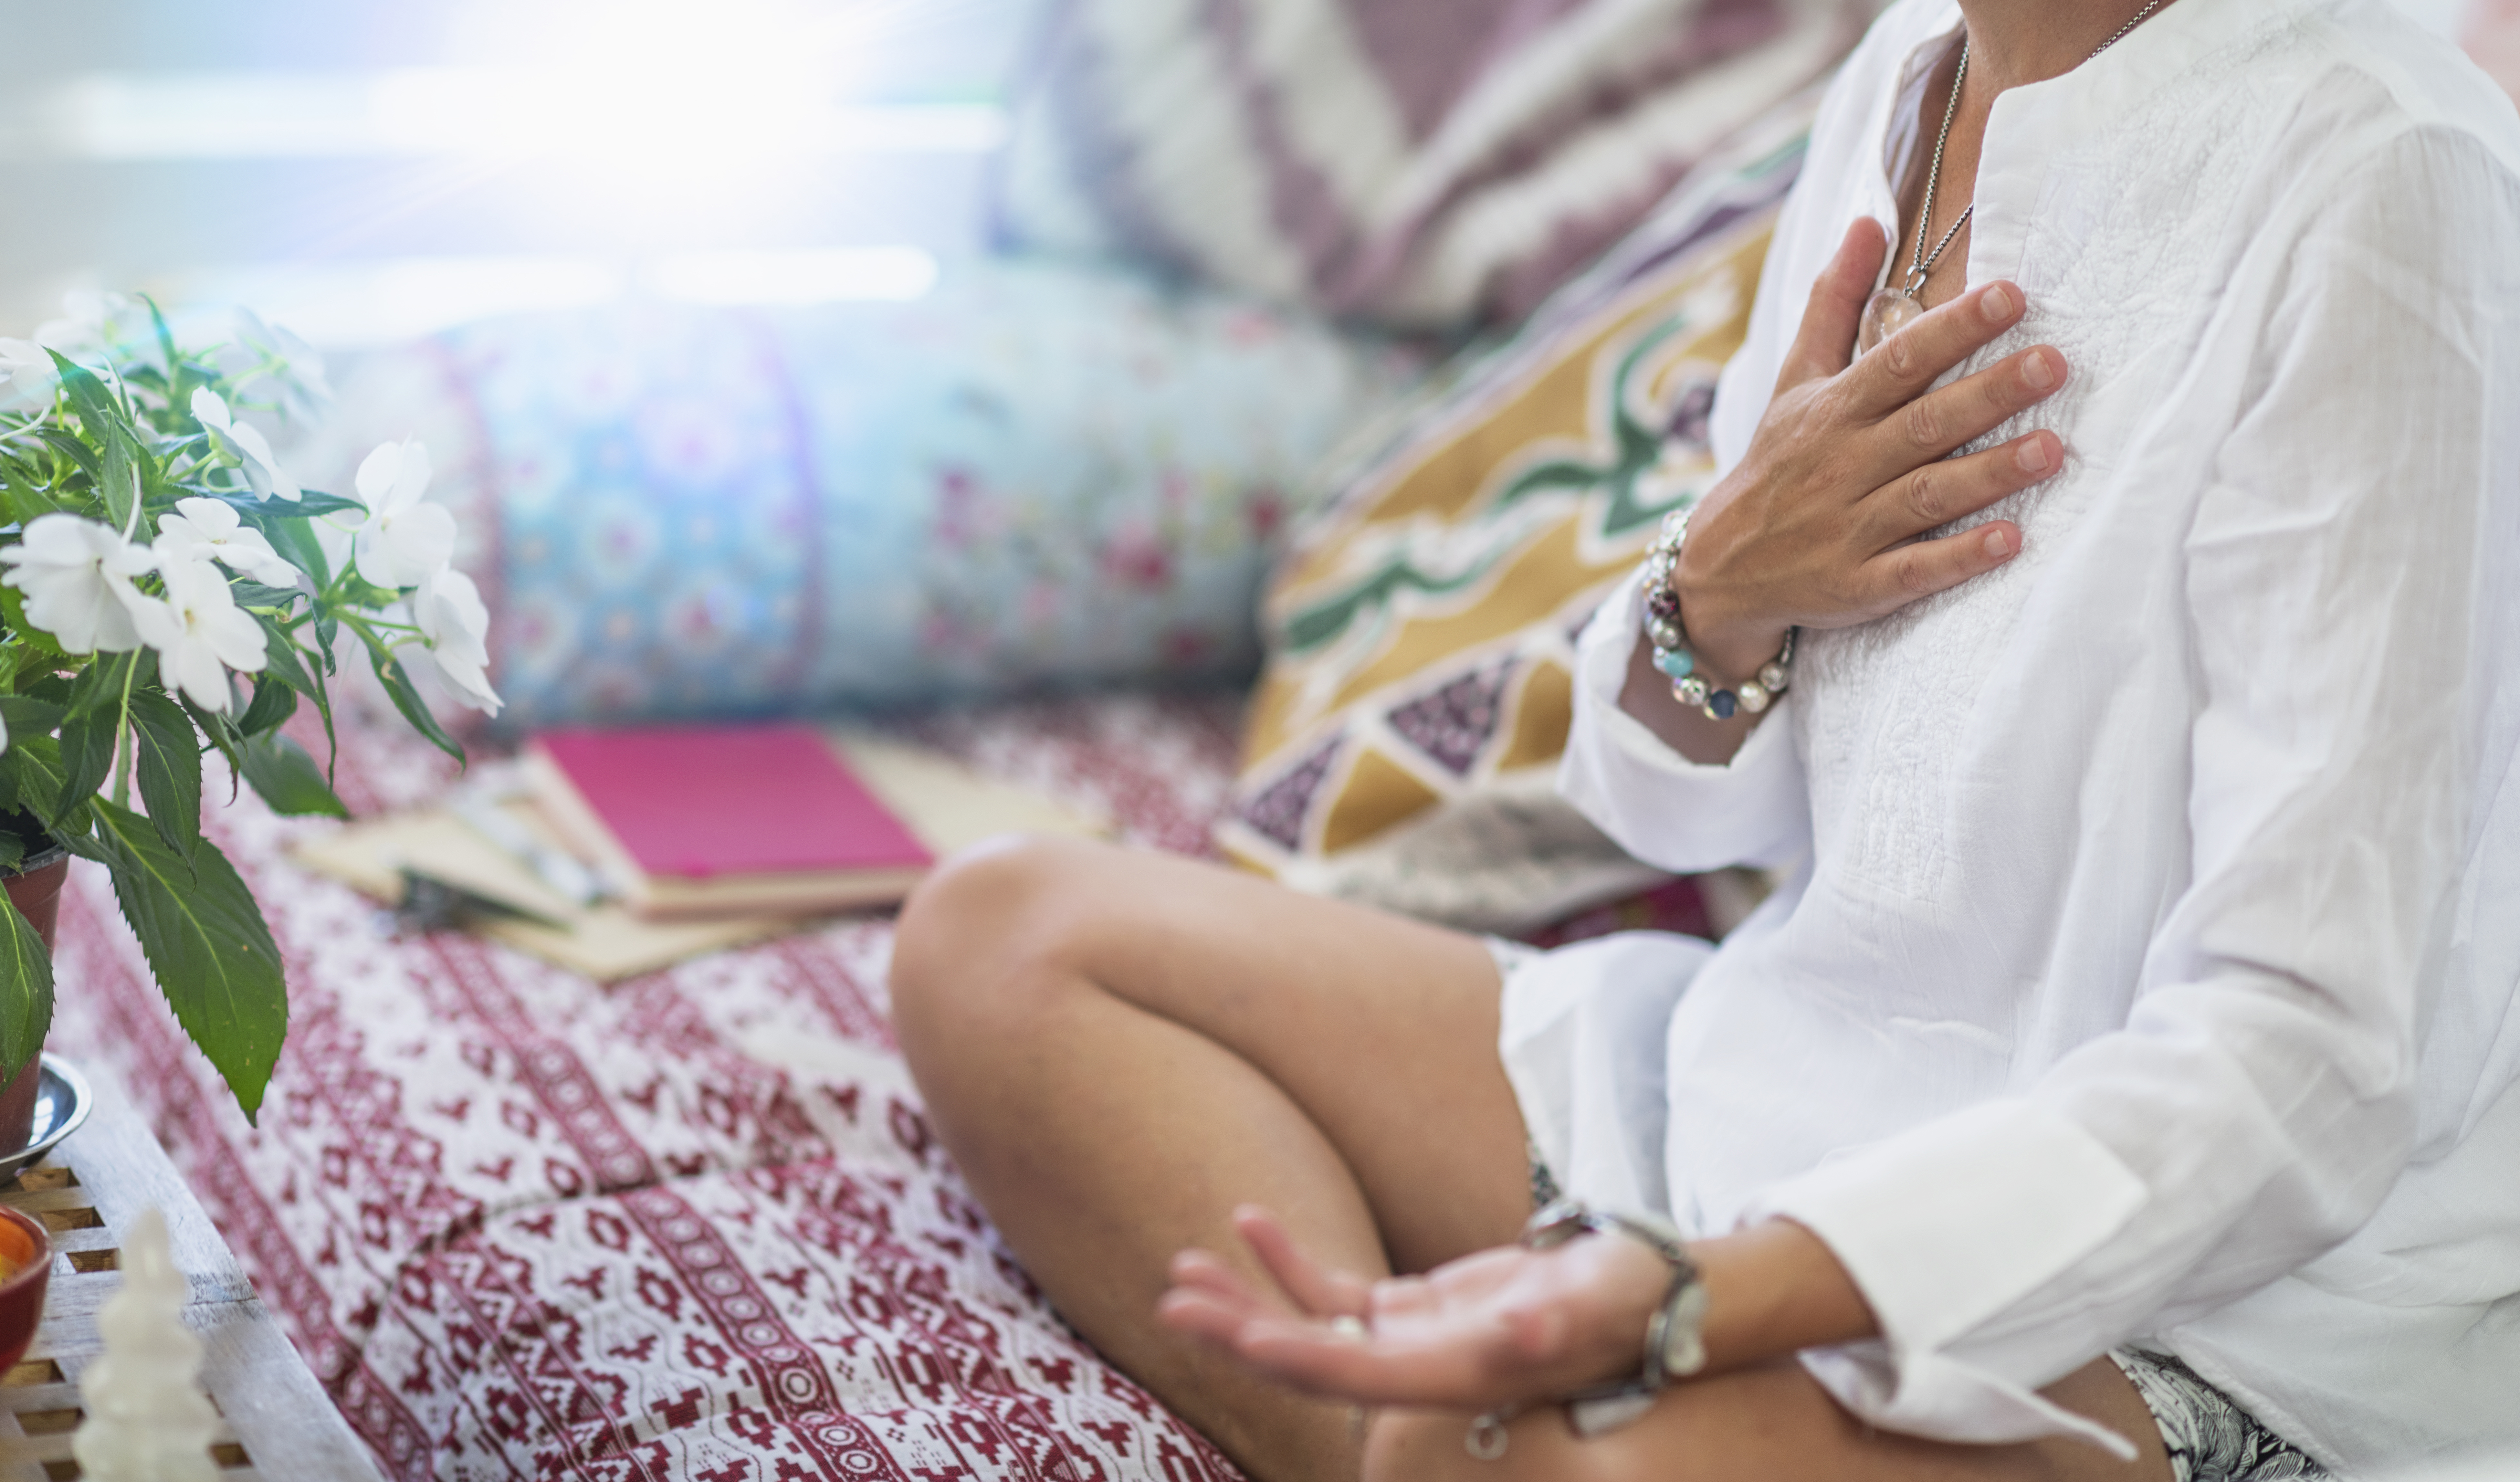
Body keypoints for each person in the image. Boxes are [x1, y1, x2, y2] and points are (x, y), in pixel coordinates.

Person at [887, 0, 2520, 1472]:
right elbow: (1677, 810)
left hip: (2211, 1288)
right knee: (1009, 934)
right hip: (1780, 1085)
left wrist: (1694, 1299)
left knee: (1581, 1460)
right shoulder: (1902, 77)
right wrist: (1717, 590)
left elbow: (2305, 1061)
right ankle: (1431, 1438)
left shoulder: (2388, 170)